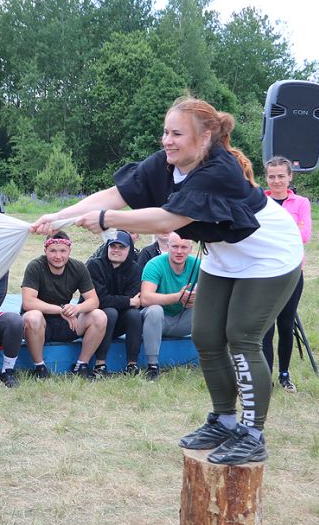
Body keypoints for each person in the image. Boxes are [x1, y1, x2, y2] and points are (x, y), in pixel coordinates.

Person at [33, 95, 303, 465]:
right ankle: (224, 421)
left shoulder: (217, 170)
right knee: (208, 335)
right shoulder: (165, 164)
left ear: (205, 138)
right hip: (224, 255)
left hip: (269, 254)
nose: (167, 141)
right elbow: (115, 195)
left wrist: (108, 219)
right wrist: (59, 217)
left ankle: (252, 434)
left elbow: (166, 221)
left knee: (241, 337)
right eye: (165, 132)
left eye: (177, 134)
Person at [21, 231, 107, 379]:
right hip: (40, 324)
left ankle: (81, 365)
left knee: (99, 316)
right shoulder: (35, 266)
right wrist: (60, 310)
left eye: (62, 251)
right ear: (45, 251)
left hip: (67, 321)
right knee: (33, 316)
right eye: (53, 251)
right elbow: (28, 302)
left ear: (69, 251)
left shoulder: (78, 267)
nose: (58, 256)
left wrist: (76, 308)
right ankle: (39, 367)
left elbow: (94, 301)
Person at [261, 156, 311, 392]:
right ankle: (266, 376)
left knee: (285, 322)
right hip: (264, 273)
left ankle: (284, 374)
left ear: (290, 177)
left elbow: (304, 235)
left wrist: (272, 234)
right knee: (266, 325)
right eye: (272, 176)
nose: (277, 181)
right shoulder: (260, 200)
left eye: (281, 176)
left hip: (292, 271)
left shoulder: (301, 203)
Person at [139, 232, 199, 381]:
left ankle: (213, 359)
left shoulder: (197, 265)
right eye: (175, 247)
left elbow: (213, 296)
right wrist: (178, 297)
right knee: (154, 309)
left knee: (211, 309)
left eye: (184, 247)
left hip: (184, 319)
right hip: (158, 320)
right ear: (167, 247)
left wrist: (194, 299)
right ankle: (152, 366)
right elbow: (145, 298)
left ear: (191, 249)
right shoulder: (155, 264)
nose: (179, 251)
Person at [85, 230, 143, 376]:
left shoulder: (135, 269)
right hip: (95, 321)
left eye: (121, 247)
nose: (116, 250)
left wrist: (128, 302)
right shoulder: (94, 265)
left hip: (119, 322)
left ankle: (132, 365)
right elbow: (100, 300)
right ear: (107, 247)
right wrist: (128, 301)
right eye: (113, 246)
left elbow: (135, 301)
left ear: (129, 249)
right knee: (109, 311)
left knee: (134, 314)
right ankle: (100, 365)